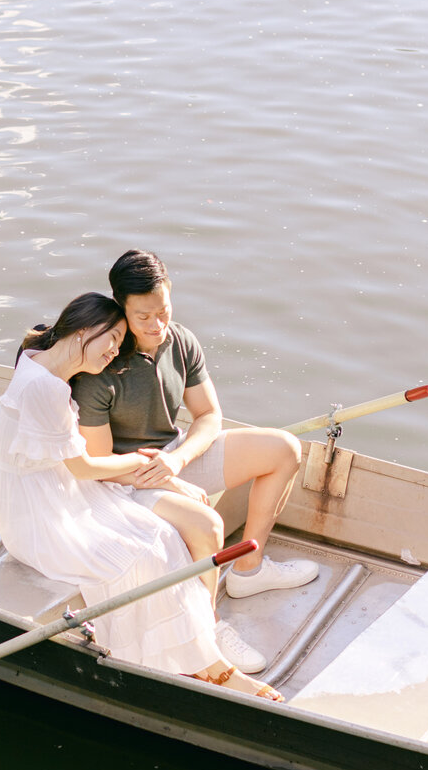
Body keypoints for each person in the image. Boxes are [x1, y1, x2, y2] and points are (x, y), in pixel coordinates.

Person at [0, 291, 282, 699]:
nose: (115, 351)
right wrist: (144, 460)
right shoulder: (46, 388)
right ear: (82, 332)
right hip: (40, 512)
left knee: (161, 539)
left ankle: (199, 651)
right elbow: (84, 467)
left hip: (54, 492)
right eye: (110, 339)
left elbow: (76, 465)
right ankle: (210, 666)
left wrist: (158, 468)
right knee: (142, 556)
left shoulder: (39, 362)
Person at [71, 250, 319, 673]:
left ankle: (248, 571)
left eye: (164, 310)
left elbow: (208, 416)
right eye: (143, 316)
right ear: (121, 308)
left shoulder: (180, 340)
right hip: (124, 479)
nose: (157, 325)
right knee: (208, 526)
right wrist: (167, 479)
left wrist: (179, 460)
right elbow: (99, 461)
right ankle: (209, 629)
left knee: (284, 449)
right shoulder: (101, 364)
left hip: (173, 455)